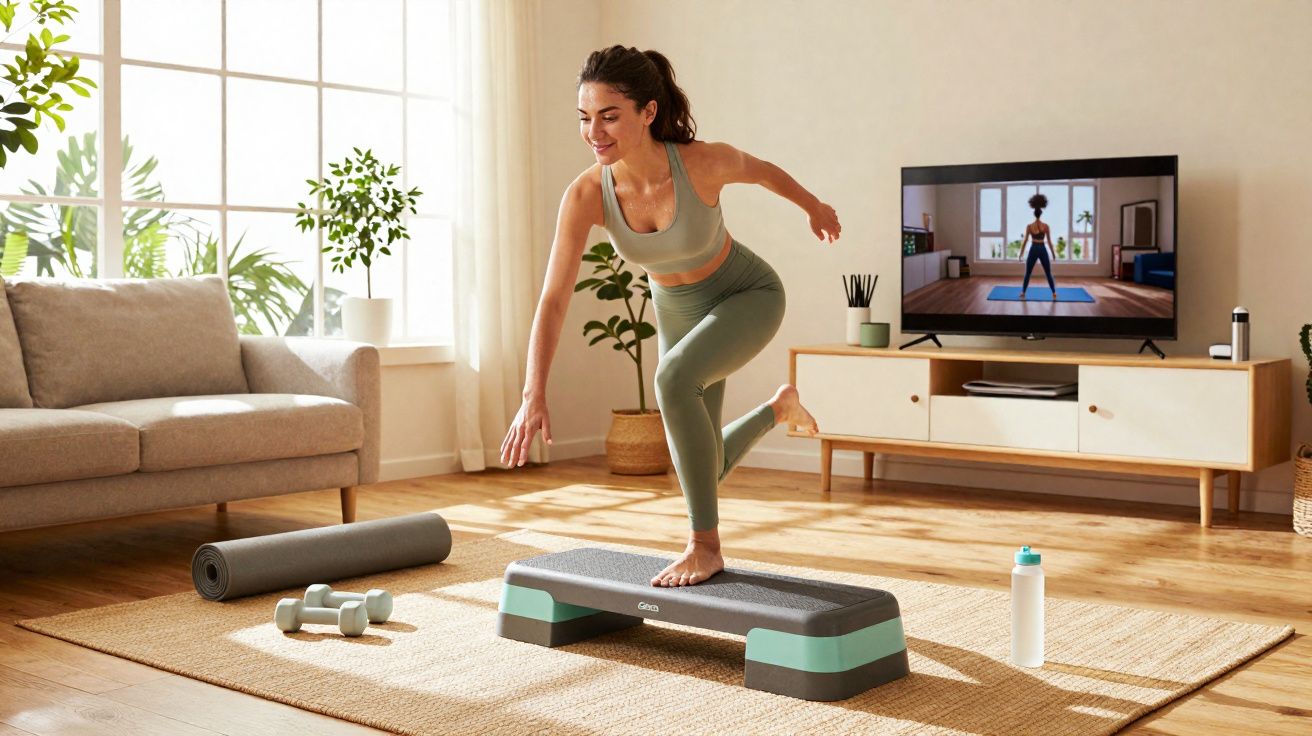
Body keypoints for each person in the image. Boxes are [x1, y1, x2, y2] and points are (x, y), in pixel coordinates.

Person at [499, 45, 840, 588]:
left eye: (610, 116)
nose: (594, 132)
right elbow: (553, 298)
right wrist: (531, 393)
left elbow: (763, 171)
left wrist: (814, 207)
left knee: (672, 380)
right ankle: (779, 409)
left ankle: (705, 547)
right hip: (677, 311)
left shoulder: (700, 162)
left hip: (745, 295)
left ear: (648, 112)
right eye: (585, 118)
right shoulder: (587, 194)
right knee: (702, 465)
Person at [1018, 193, 1058, 301]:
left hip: (1034, 248)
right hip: (1042, 249)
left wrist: (1021, 254)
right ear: (1040, 213)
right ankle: (1054, 292)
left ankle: (1023, 292)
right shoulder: (1045, 226)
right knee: (1048, 272)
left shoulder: (1029, 226)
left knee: (1028, 272)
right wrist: (1053, 254)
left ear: (1034, 214)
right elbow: (1049, 241)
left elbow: (1025, 241)